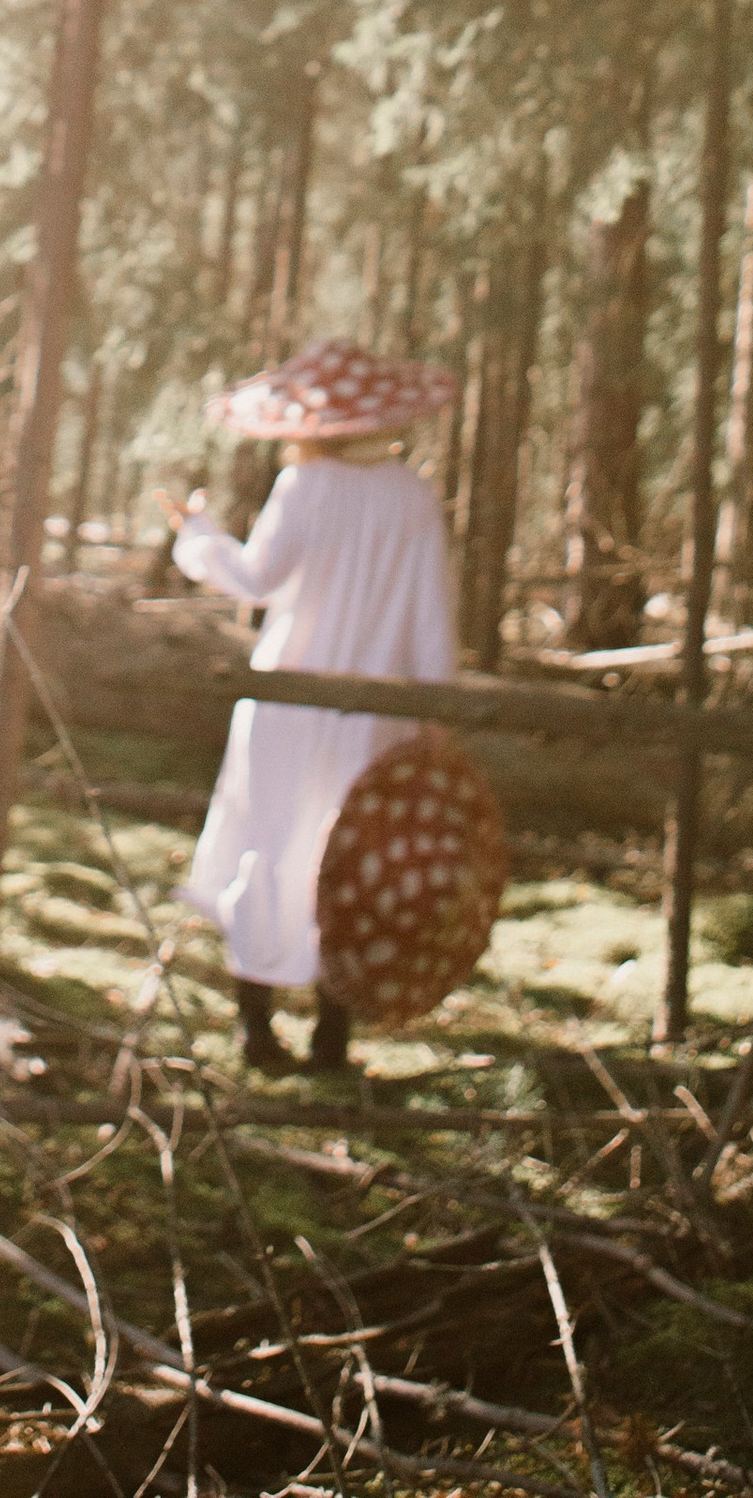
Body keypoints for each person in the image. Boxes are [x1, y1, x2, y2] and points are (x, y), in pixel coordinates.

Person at [160, 336, 456, 1073]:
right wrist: (435, 717)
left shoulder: (306, 489)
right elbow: (431, 622)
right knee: (350, 860)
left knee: (268, 841)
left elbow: (257, 580)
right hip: (375, 709)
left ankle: (256, 1033)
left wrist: (195, 536)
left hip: (287, 701)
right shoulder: (413, 496)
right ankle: (332, 1038)